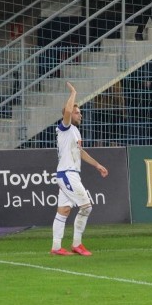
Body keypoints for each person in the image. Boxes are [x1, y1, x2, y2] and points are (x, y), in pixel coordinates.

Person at [51, 82, 109, 256]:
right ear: (67, 115)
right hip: (67, 174)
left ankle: (56, 247)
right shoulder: (64, 128)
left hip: (69, 173)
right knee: (86, 207)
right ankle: (77, 244)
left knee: (64, 210)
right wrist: (74, 93)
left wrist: (97, 165)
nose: (80, 115)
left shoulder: (75, 131)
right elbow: (68, 111)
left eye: (80, 112)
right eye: (77, 112)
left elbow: (80, 152)